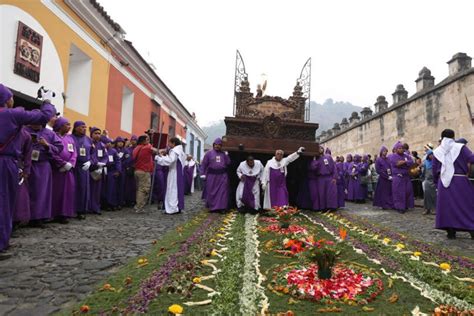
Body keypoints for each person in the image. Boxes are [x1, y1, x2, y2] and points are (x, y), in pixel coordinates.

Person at [0, 84, 56, 260]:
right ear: (6, 99)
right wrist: (47, 100)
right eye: (11, 97)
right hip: (5, 162)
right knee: (4, 202)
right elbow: (44, 116)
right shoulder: (11, 114)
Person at [433, 129, 474, 239]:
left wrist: (436, 183)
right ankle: (471, 229)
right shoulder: (460, 147)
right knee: (467, 204)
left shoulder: (437, 151)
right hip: (460, 181)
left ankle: (450, 231)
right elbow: (472, 158)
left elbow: (434, 170)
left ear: (441, 137)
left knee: (447, 207)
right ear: (453, 137)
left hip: (444, 183)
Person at [26, 123, 63, 227]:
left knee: (41, 193)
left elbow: (59, 147)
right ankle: (23, 217)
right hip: (27, 164)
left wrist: (47, 145)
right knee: (25, 192)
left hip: (43, 165)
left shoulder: (49, 133)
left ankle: (38, 217)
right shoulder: (24, 130)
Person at [51, 118, 77, 223]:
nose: (69, 127)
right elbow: (52, 152)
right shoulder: (53, 136)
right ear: (60, 126)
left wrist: (70, 163)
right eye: (67, 124)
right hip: (57, 170)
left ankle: (65, 213)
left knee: (68, 192)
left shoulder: (70, 139)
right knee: (56, 192)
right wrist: (62, 163)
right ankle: (54, 213)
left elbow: (74, 153)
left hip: (68, 170)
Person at [155, 137, 186, 214]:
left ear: (173, 143)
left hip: (173, 173)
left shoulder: (174, 151)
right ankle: (176, 207)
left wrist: (159, 159)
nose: (168, 145)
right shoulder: (180, 151)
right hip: (177, 172)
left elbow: (170, 161)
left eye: (169, 143)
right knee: (175, 190)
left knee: (172, 190)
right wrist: (163, 157)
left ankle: (172, 208)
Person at [200, 138, 231, 212]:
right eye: (216, 145)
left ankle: (222, 208)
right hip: (212, 176)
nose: (217, 146)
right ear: (213, 145)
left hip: (222, 176)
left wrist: (226, 155)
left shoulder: (223, 154)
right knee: (211, 191)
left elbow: (228, 163)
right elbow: (204, 164)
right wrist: (203, 173)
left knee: (222, 191)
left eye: (219, 145)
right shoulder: (208, 153)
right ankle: (213, 207)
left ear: (221, 146)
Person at [72, 121, 95, 219]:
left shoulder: (89, 140)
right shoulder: (70, 138)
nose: (84, 129)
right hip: (73, 167)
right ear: (76, 128)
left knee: (83, 189)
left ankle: (81, 210)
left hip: (84, 168)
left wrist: (90, 161)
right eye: (82, 127)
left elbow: (93, 153)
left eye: (85, 127)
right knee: (72, 189)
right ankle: (70, 210)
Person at [13, 127, 33, 228]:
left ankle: (16, 219)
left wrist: (26, 170)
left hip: (18, 166)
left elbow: (28, 154)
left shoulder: (25, 135)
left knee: (19, 195)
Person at [132, 134, 158, 213]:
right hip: (144, 171)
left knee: (139, 189)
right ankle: (139, 207)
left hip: (137, 170)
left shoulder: (137, 148)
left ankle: (138, 205)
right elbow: (157, 151)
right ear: (143, 141)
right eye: (147, 140)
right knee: (144, 189)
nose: (149, 141)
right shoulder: (146, 148)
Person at [389, 141, 414, 213]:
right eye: (399, 148)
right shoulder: (393, 156)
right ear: (396, 149)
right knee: (399, 193)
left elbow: (411, 162)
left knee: (408, 191)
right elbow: (397, 164)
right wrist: (405, 162)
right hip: (398, 177)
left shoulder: (406, 155)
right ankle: (400, 207)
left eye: (402, 148)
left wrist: (404, 162)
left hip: (406, 177)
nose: (401, 149)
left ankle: (406, 205)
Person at [89, 127, 107, 214]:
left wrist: (102, 163)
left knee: (97, 190)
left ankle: (96, 207)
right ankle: (88, 207)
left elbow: (105, 156)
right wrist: (95, 163)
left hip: (99, 170)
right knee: (89, 189)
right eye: (95, 133)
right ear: (91, 134)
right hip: (90, 169)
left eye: (99, 133)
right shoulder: (88, 143)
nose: (97, 135)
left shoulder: (102, 145)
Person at [103, 138, 121, 211]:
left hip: (111, 171)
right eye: (107, 142)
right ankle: (105, 204)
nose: (109, 144)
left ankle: (112, 204)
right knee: (104, 189)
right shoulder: (102, 150)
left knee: (112, 189)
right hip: (103, 171)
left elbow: (118, 161)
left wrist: (118, 171)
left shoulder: (113, 151)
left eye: (110, 142)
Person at [421, 149, 437, 215]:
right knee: (426, 195)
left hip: (434, 181)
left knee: (434, 195)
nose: (432, 156)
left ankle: (433, 209)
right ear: (428, 155)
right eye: (430, 155)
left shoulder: (436, 162)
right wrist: (422, 178)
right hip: (427, 180)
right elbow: (423, 172)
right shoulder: (425, 163)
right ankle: (426, 209)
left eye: (432, 154)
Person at [124, 135, 138, 206]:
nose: (133, 141)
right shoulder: (128, 149)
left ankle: (134, 200)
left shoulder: (138, 149)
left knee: (135, 186)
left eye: (135, 140)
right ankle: (127, 200)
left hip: (136, 168)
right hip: (129, 169)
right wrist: (127, 167)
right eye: (132, 140)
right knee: (128, 185)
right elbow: (125, 159)